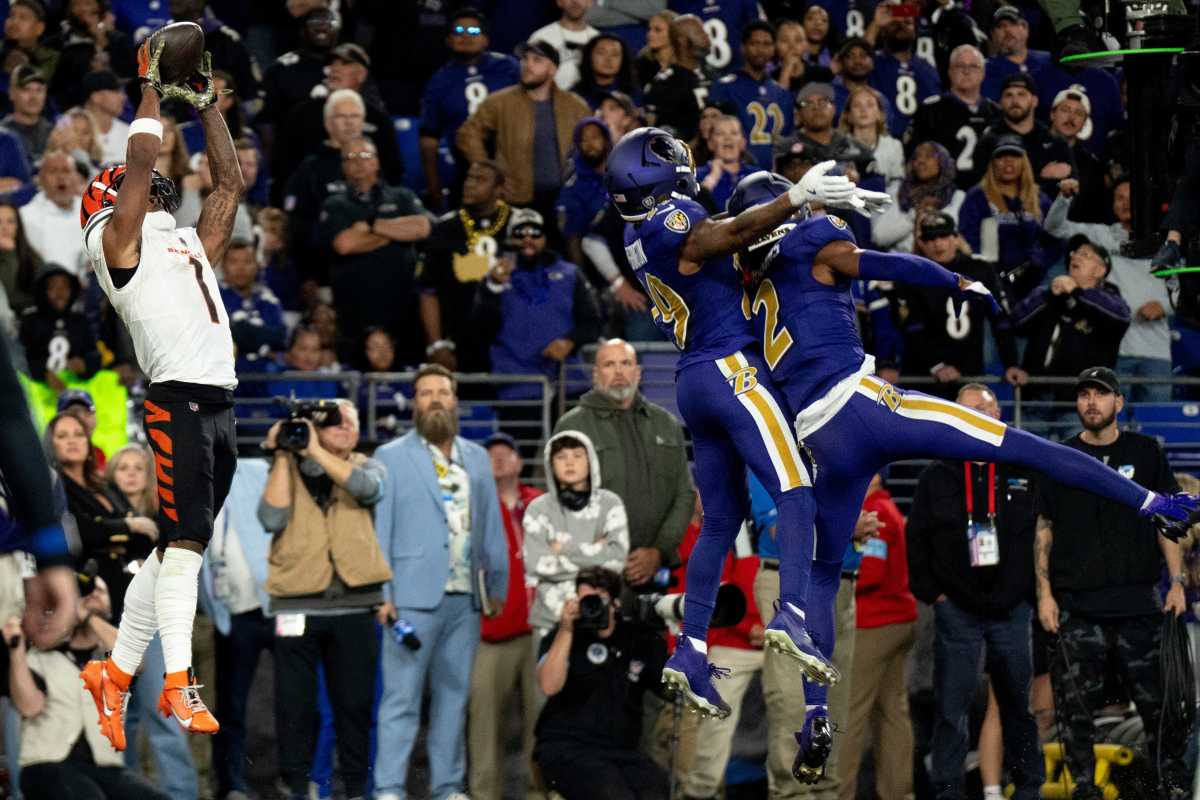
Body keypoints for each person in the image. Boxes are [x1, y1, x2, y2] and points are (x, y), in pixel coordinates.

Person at [724, 170, 1198, 782]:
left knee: (822, 572)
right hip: (862, 405)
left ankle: (816, 714)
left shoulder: (746, 281)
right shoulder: (811, 239)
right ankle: (1148, 501)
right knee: (1021, 445)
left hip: (818, 437)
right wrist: (956, 278)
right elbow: (888, 267)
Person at [602, 132, 884, 718]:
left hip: (693, 379)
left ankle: (691, 650)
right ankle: (794, 617)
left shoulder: (632, 233)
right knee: (797, 491)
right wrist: (793, 200)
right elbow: (715, 235)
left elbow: (717, 242)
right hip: (730, 367)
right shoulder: (674, 217)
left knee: (720, 522)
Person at [80, 38, 245, 749]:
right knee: (182, 545)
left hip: (220, 404)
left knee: (176, 554)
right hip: (176, 397)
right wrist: (148, 86)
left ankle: (113, 674)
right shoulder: (118, 243)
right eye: (138, 188)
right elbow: (143, 161)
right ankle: (176, 680)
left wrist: (207, 108)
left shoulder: (179, 242)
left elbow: (231, 186)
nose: (153, 191)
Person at [1036, 367, 1190, 796]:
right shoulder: (1059, 457)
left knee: (1161, 713)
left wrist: (1177, 581)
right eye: (1083, 394)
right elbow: (1044, 527)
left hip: (1139, 604)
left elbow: (1168, 521)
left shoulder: (1147, 452)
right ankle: (1083, 791)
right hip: (1077, 607)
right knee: (1075, 717)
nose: (1091, 402)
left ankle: (1168, 790)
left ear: (1119, 403)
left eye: (1100, 394)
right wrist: (1044, 594)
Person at [372, 364, 509, 800]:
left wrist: (497, 589)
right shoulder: (390, 457)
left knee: (453, 702)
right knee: (400, 702)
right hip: (409, 600)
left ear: (455, 402)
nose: (434, 399)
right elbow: (380, 531)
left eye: (442, 392)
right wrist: (383, 594)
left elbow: (491, 529)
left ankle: (447, 787)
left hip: (464, 600)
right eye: (425, 392)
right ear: (415, 403)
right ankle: (389, 788)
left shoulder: (477, 458)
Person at [906, 384, 1045, 800]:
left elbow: (1044, 535)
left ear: (1000, 412)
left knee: (1019, 708)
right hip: (957, 611)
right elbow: (917, 540)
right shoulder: (937, 475)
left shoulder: (1025, 466)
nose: (977, 418)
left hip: (1012, 610)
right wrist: (935, 596)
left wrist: (1031, 595)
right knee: (951, 709)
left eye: (984, 409)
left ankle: (1028, 790)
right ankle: (947, 793)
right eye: (968, 411)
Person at [258, 398, 390, 800]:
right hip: (297, 604)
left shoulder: (369, 466)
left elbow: (366, 490)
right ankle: (298, 789)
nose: (346, 427)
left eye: (351, 421)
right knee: (295, 707)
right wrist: (284, 454)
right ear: (316, 427)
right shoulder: (286, 468)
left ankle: (355, 790)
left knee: (354, 707)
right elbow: (271, 519)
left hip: (355, 605)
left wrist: (313, 449)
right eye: (335, 422)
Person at [5, 580, 171, 800]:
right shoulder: (38, 657)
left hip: (105, 767)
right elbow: (28, 706)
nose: (93, 595)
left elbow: (136, 661)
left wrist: (90, 617)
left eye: (100, 592)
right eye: (84, 593)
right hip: (45, 764)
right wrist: (16, 653)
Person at [533, 566, 670, 800]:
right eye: (586, 600)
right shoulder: (562, 636)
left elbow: (671, 687)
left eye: (599, 600)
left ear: (616, 604)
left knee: (656, 787)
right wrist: (566, 629)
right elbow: (548, 686)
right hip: (567, 745)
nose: (592, 606)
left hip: (620, 750)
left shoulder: (638, 639)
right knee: (613, 793)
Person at [471, 207, 601, 436]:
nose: (528, 239)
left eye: (535, 233)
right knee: (519, 463)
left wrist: (569, 342)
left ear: (545, 238)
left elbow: (592, 322)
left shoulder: (570, 274)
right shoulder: (494, 278)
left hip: (567, 383)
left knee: (574, 458)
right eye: (520, 234)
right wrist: (493, 287)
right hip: (516, 385)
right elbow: (480, 332)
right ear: (510, 239)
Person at [1046, 177, 1173, 403]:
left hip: (1156, 352)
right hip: (1117, 352)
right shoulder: (1101, 236)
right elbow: (1054, 227)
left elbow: (1184, 292)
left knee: (1158, 424)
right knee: (1114, 425)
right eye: (1120, 198)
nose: (1126, 204)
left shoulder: (1165, 243)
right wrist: (1064, 198)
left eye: (1132, 198)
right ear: (1113, 205)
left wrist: (1163, 306)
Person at [469, 432, 543, 800]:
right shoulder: (472, 506)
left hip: (539, 634)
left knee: (542, 725)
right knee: (483, 728)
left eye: (507, 452)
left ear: (520, 462)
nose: (498, 458)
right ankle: (484, 795)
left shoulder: (541, 503)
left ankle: (538, 793)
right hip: (489, 634)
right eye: (490, 454)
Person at [837, 473, 917, 800]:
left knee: (847, 715)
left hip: (874, 624)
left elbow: (870, 572)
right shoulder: (884, 507)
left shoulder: (874, 512)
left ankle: (837, 793)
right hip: (897, 621)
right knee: (892, 714)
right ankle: (898, 793)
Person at [321, 135, 432, 365]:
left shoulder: (402, 196)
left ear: (377, 162)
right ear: (343, 166)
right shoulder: (335, 203)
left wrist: (372, 226)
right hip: (355, 312)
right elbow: (344, 244)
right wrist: (395, 233)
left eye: (365, 156)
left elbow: (422, 228)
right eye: (351, 158)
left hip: (404, 310)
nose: (359, 162)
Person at [1009, 233, 1130, 434]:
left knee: (1076, 462)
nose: (1076, 257)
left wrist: (1077, 293)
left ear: (1100, 270)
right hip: (1036, 398)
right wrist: (1050, 296)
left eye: (1086, 255)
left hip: (1082, 402)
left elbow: (1120, 319)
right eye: (1075, 253)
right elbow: (1018, 323)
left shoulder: (1111, 298)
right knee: (1030, 463)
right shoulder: (1048, 295)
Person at [457, 38, 590, 218]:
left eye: (537, 60)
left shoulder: (575, 106)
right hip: (515, 198)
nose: (528, 65)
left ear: (552, 69)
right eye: (525, 59)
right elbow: (468, 134)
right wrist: (487, 171)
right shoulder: (500, 101)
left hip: (563, 199)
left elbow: (591, 143)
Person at [898, 211, 1023, 395]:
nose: (938, 243)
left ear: (956, 238)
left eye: (944, 236)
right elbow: (913, 328)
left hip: (970, 376)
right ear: (921, 243)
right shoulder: (912, 275)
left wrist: (1011, 363)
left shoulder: (980, 271)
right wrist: (937, 366)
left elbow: (1000, 319)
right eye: (931, 238)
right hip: (926, 379)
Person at [524, 431, 629, 637]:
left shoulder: (610, 504)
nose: (569, 463)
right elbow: (536, 565)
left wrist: (563, 550)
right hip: (549, 620)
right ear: (550, 465)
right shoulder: (537, 509)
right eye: (561, 457)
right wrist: (597, 551)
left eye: (578, 456)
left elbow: (617, 560)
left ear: (590, 462)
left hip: (601, 618)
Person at [418, 7, 520, 212]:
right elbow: (429, 138)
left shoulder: (509, 67)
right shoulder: (438, 82)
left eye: (473, 31)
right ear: (448, 41)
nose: (465, 36)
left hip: (516, 161)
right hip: (467, 170)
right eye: (458, 32)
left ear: (486, 39)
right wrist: (433, 185)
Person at [418, 160, 511, 374]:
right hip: (459, 342)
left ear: (499, 189)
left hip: (511, 341)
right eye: (469, 178)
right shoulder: (445, 228)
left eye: (480, 180)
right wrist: (436, 344)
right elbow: (427, 290)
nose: (470, 184)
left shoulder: (518, 224)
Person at [957, 135, 1052, 282]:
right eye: (1001, 156)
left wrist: (1041, 259)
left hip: (1035, 278)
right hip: (993, 278)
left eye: (1015, 155)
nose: (1008, 161)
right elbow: (968, 240)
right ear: (992, 163)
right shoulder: (976, 197)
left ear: (1024, 162)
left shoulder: (1040, 198)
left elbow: (1053, 238)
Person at [906, 45, 998, 190]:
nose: (966, 71)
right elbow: (915, 158)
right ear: (950, 72)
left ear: (983, 73)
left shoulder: (996, 112)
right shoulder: (930, 109)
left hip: (989, 193)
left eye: (973, 66)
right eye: (960, 66)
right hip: (943, 193)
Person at [707, 21, 794, 169]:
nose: (761, 50)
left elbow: (789, 138)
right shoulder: (724, 87)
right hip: (736, 170)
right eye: (755, 43)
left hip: (777, 174)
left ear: (774, 49)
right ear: (743, 47)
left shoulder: (782, 93)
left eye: (767, 44)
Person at [976, 73, 1074, 201]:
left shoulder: (1053, 140)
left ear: (1034, 101)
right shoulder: (989, 141)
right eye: (1009, 95)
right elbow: (989, 188)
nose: (1015, 101)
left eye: (1021, 94)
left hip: (1050, 214)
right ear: (1000, 103)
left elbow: (1072, 186)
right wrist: (1042, 177)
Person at [19, 265, 100, 393]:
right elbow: (20, 359)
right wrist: (43, 373)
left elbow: (95, 356)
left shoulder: (80, 321)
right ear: (42, 291)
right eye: (53, 287)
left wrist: (85, 366)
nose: (60, 292)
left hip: (77, 391)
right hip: (37, 392)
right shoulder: (30, 321)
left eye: (65, 286)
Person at [872, 141, 965, 253]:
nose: (920, 161)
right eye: (916, 157)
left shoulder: (958, 197)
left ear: (943, 162)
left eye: (929, 156)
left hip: (943, 263)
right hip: (901, 261)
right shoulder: (898, 192)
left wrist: (932, 214)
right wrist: (916, 214)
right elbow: (879, 237)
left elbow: (958, 236)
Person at [867, 7, 940, 139]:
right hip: (883, 139)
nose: (901, 26)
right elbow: (857, 56)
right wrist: (876, 24)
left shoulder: (927, 69)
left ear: (915, 31)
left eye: (907, 22)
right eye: (894, 24)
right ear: (883, 31)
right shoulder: (873, 62)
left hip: (920, 142)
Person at [218, 238, 287, 376]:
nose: (241, 268)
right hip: (227, 377)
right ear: (223, 266)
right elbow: (221, 337)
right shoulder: (213, 296)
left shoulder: (268, 299)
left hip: (266, 379)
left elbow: (280, 338)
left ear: (257, 265)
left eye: (247, 262)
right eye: (234, 262)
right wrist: (264, 342)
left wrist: (241, 331)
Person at [641, 15, 711, 143]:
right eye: (699, 32)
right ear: (682, 41)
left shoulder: (712, 74)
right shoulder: (664, 86)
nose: (706, 37)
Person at [19, 150, 85, 274]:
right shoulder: (26, 216)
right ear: (41, 179)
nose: (60, 177)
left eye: (66, 171)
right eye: (53, 171)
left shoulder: (94, 212)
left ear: (77, 178)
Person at [839, 85, 904, 186]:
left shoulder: (894, 146)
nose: (863, 110)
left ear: (879, 114)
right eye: (857, 105)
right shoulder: (837, 146)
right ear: (849, 116)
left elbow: (896, 186)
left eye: (870, 105)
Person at [696, 116, 761, 212]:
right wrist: (712, 178)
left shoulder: (758, 175)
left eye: (734, 133)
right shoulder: (697, 176)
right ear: (710, 143)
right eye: (720, 134)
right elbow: (692, 211)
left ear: (743, 142)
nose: (727, 138)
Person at [532, 0, 599, 90]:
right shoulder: (541, 37)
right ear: (559, 2)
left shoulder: (599, 40)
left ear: (590, 2)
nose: (575, 1)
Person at [571, 32, 639, 111]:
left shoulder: (634, 94)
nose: (608, 59)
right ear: (589, 57)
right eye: (601, 53)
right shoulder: (574, 95)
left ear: (623, 60)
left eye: (615, 54)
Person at [2, 64, 53, 163]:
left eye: (39, 90)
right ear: (11, 93)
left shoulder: (55, 133)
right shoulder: (3, 136)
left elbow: (91, 177)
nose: (34, 97)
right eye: (26, 89)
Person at [0, 199, 41, 314]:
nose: (5, 227)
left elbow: (44, 292)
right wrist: (8, 255)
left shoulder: (30, 255)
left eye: (11, 221)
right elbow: (7, 298)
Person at [82, 70, 130, 166]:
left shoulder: (129, 133)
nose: (123, 97)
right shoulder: (69, 128)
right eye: (116, 91)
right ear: (96, 97)